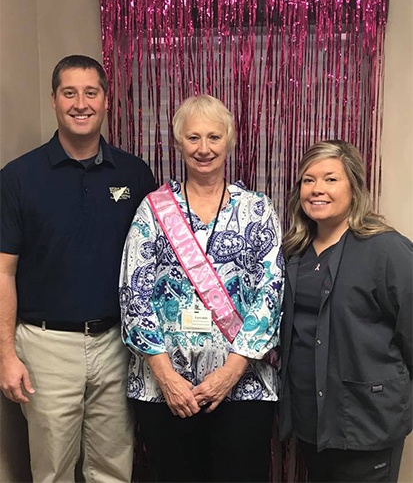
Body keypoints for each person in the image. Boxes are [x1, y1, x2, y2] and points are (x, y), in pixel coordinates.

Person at [0, 55, 156, 482]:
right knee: (52, 471)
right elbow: (3, 272)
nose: (80, 103)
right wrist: (6, 355)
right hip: (45, 346)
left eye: (91, 92)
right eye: (70, 92)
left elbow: (156, 264)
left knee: (113, 468)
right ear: (54, 100)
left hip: (116, 345)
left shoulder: (135, 174)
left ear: (107, 101)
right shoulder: (18, 178)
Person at [119, 94, 284, 482]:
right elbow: (134, 292)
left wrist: (230, 373)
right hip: (166, 390)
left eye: (214, 137)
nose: (204, 148)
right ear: (178, 143)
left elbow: (271, 294)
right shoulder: (154, 208)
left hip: (243, 386)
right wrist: (168, 378)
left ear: (229, 141)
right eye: (193, 138)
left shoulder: (257, 208)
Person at [279, 139, 412, 482]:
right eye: (308, 180)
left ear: (354, 186)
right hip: (311, 422)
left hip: (366, 422)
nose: (317, 189)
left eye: (330, 179)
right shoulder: (295, 252)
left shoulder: (386, 249)